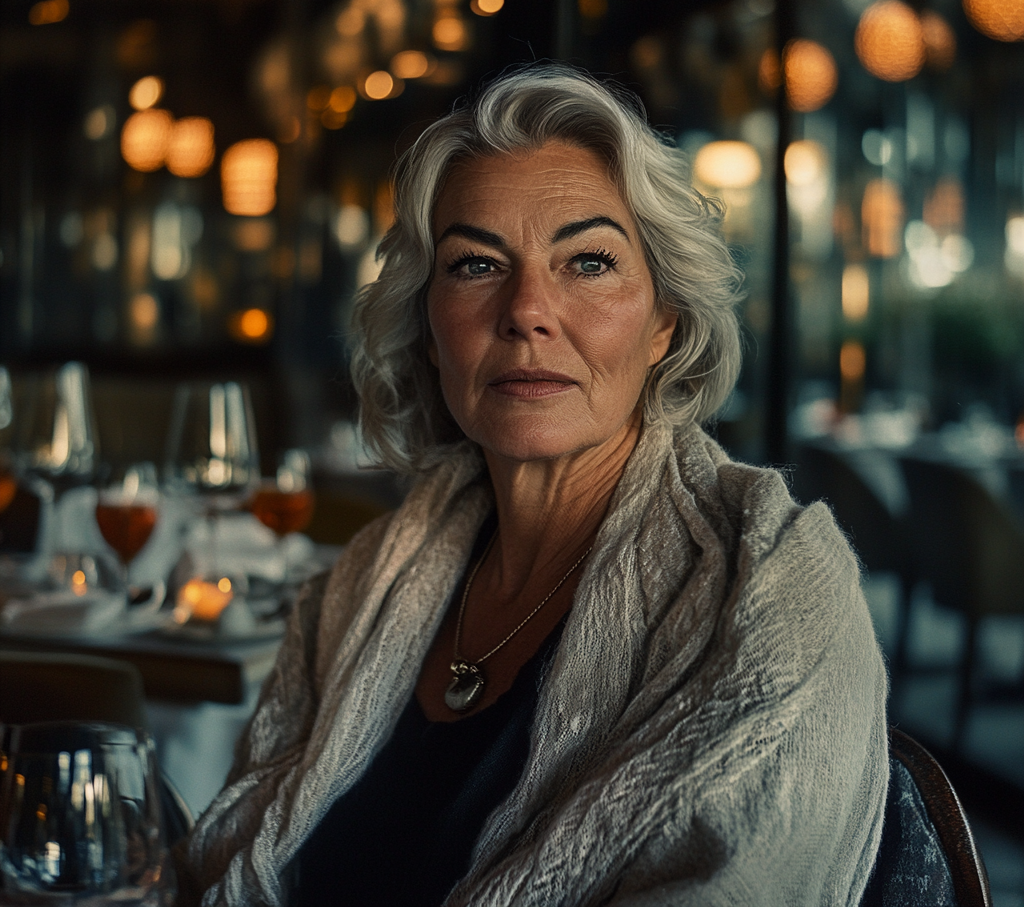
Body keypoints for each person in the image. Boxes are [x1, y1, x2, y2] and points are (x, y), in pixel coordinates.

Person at [181, 64, 888, 906]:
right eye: (477, 265)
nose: (526, 310)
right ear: (430, 331)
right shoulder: (358, 585)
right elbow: (230, 855)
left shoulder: (772, 581)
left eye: (587, 262)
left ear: (665, 320)